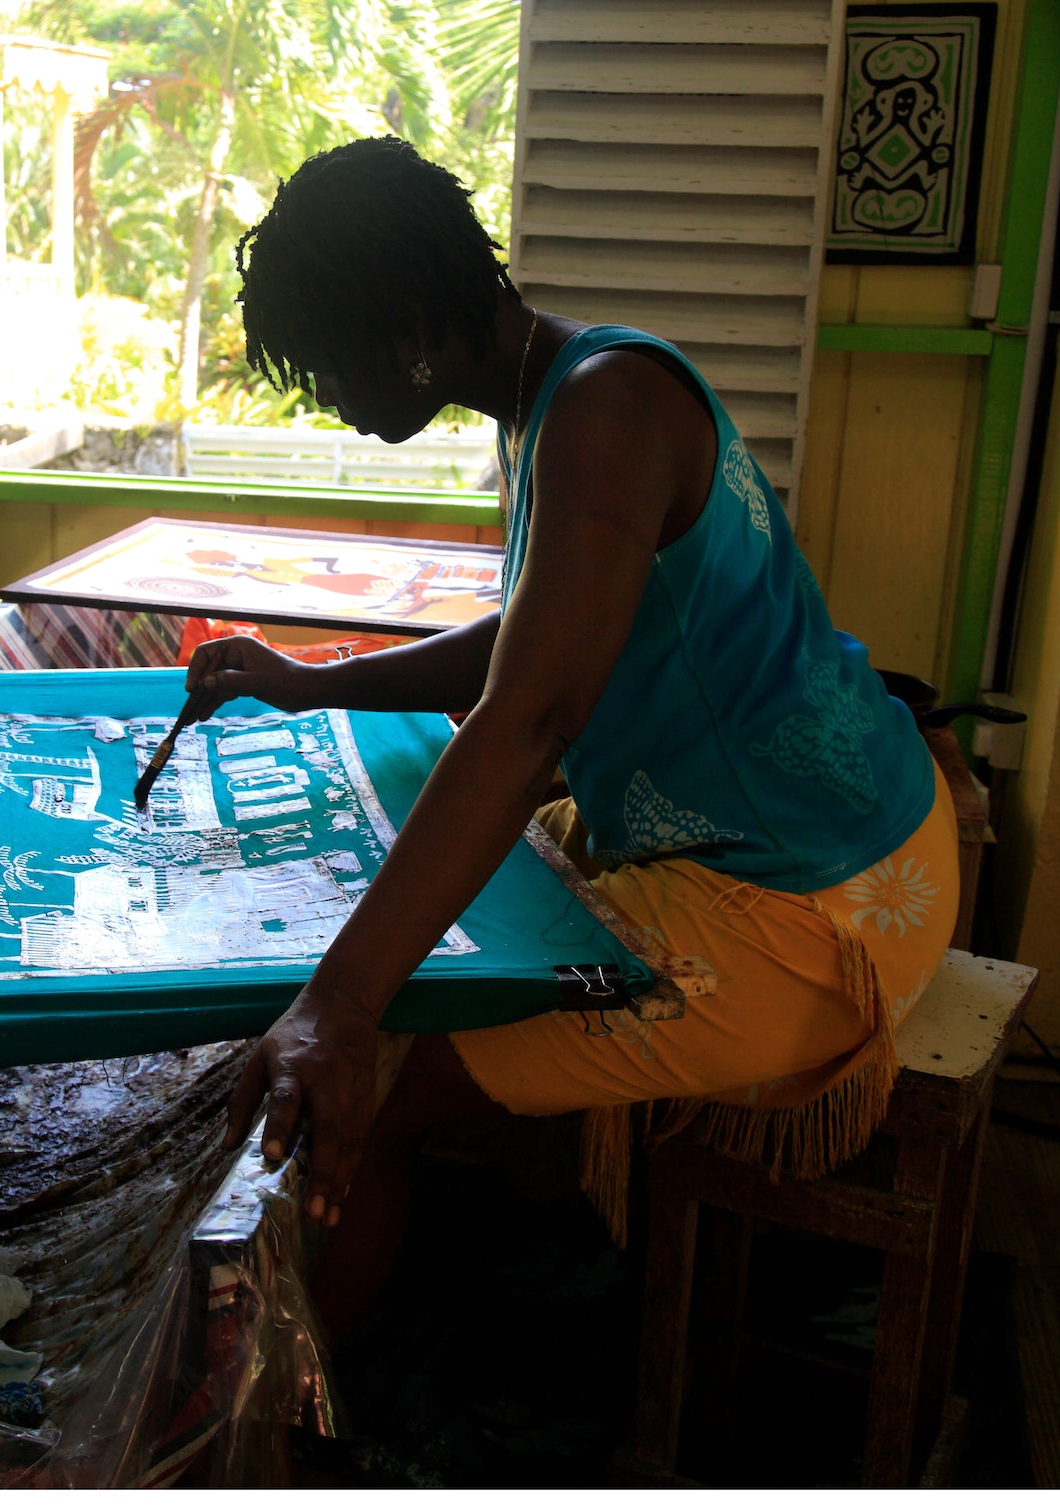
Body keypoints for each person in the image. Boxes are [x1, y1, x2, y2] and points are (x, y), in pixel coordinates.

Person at [185, 136, 959, 1344]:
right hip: (806, 833)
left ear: (407, 337)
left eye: (330, 369)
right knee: (400, 907)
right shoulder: (566, 391)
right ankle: (495, 1267)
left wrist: (338, 1006)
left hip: (817, 909)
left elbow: (532, 713)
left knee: (376, 1069)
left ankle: (288, 1429)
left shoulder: (603, 409)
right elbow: (534, 646)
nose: (327, 403)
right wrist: (310, 685)